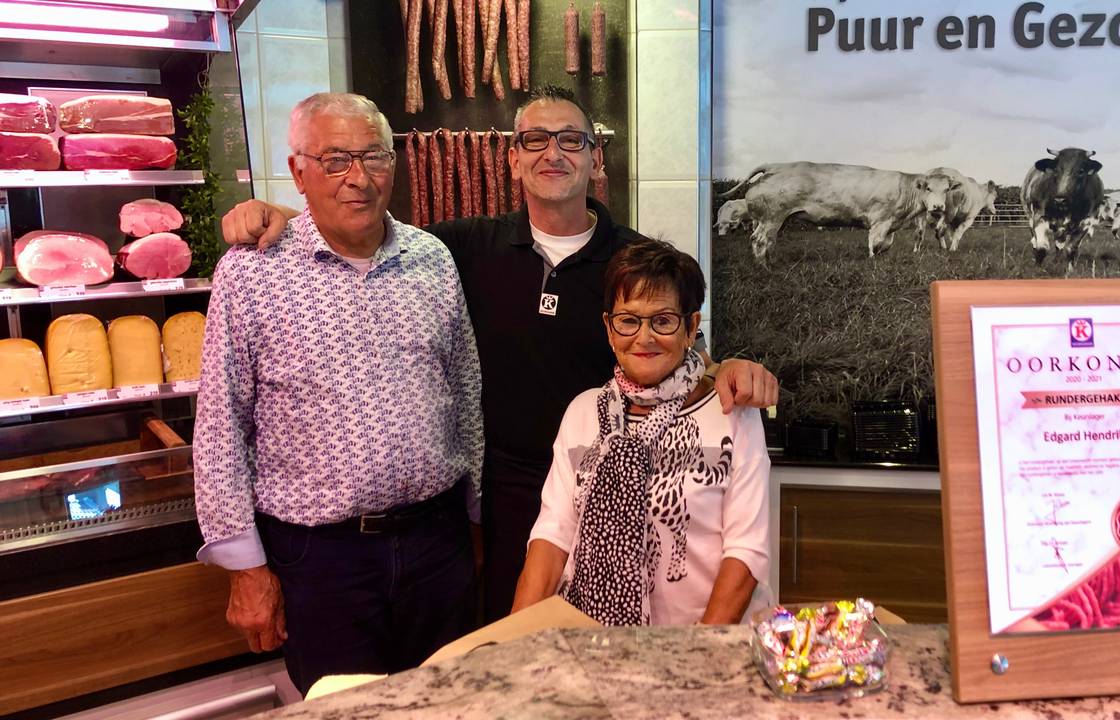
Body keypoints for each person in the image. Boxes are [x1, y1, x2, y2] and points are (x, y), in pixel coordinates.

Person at [219, 85, 779, 623]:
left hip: (624, 476)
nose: (553, 153)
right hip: (504, 498)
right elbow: (366, 230)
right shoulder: (459, 248)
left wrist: (728, 368)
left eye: (572, 140)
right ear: (512, 160)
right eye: (535, 140)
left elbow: (681, 349)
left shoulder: (634, 258)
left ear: (595, 158)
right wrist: (286, 219)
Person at [194, 92, 483, 694]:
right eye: (334, 160)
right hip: (322, 560)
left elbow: (466, 394)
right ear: (299, 171)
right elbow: (222, 428)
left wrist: (474, 519)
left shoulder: (432, 259)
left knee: (451, 704)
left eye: (373, 157)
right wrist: (245, 569)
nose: (358, 178)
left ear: (394, 164)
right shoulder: (251, 272)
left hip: (438, 543)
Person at [511, 238, 771, 624]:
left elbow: (746, 551)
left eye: (663, 320)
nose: (644, 337)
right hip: (589, 641)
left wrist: (695, 652)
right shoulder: (583, 412)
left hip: (699, 647)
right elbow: (553, 535)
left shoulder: (733, 414)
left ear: (691, 326)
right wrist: (514, 637)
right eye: (628, 320)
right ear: (609, 328)